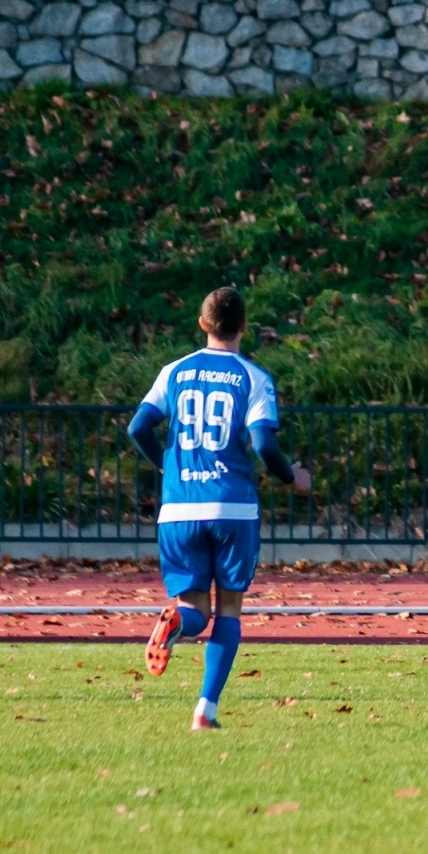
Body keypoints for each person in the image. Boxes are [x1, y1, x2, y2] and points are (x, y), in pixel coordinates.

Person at [129, 287, 312, 731]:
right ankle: (205, 711)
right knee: (229, 608)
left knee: (194, 610)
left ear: (202, 322)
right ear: (244, 327)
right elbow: (264, 444)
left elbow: (138, 428)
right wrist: (294, 479)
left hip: (179, 509)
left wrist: (166, 467)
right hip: (232, 508)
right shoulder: (253, 377)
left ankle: (177, 621)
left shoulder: (174, 371)